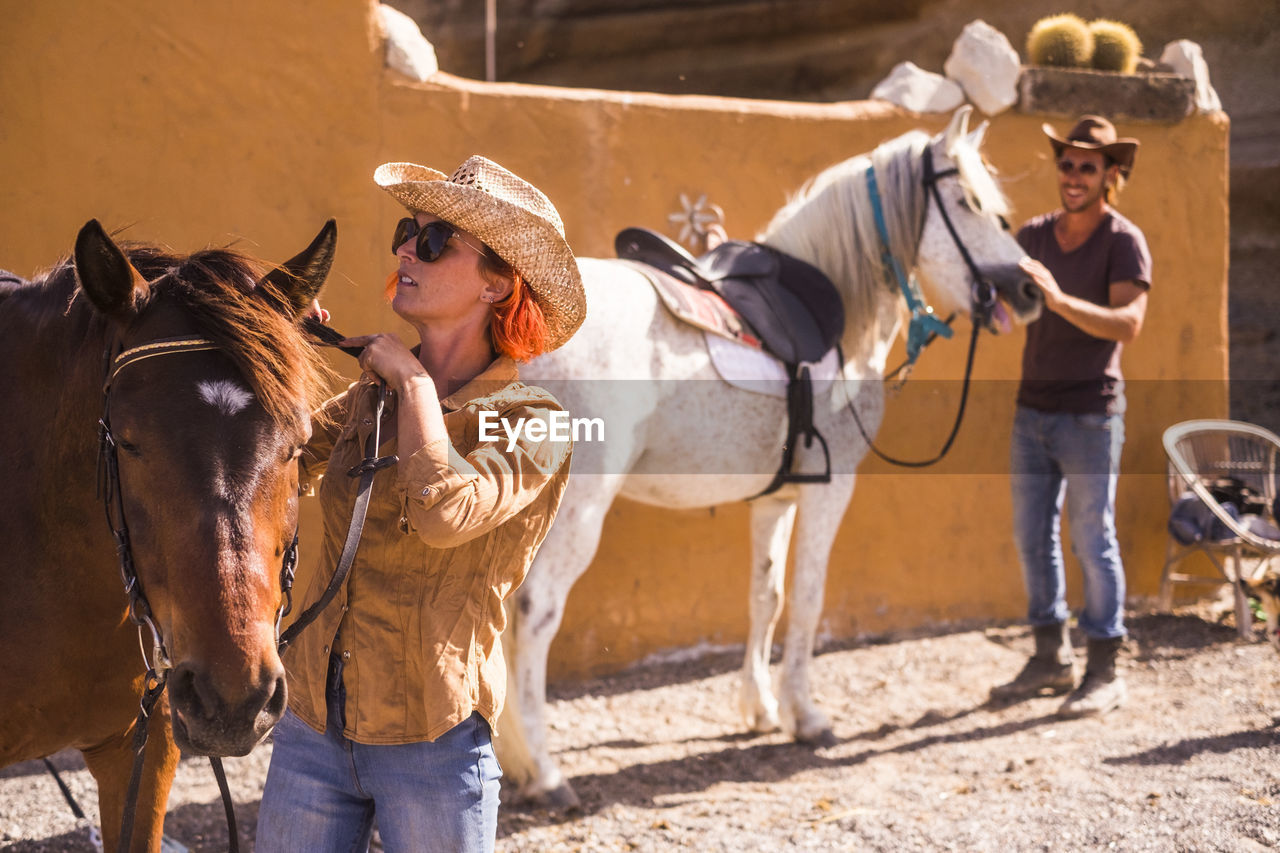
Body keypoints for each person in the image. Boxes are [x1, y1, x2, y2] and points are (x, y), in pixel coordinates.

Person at [256, 155, 585, 852]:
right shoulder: (369, 395)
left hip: (434, 743)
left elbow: (444, 514)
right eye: (409, 231)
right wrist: (274, 341)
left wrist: (412, 385)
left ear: (498, 283)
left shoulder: (534, 420)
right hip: (312, 723)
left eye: (435, 242)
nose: (407, 248)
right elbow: (278, 466)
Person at [991, 116, 1152, 719]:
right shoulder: (1032, 235)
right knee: (1032, 539)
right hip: (1031, 412)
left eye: (1088, 166)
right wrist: (986, 310)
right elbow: (1014, 312)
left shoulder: (1122, 240)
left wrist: (1059, 299)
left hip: (1091, 415)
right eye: (1066, 164)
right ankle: (1049, 659)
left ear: (1112, 174)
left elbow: (1128, 325)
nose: (1074, 175)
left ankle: (1105, 671)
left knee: (1092, 538)